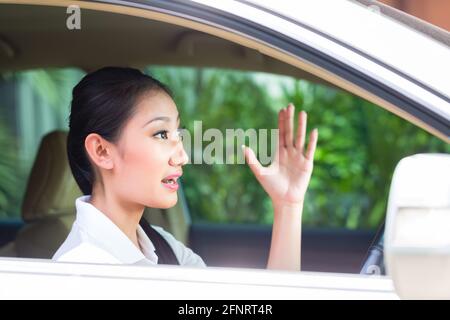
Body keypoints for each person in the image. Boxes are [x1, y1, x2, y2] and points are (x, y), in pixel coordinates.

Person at [52, 67, 318, 271]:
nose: (182, 156)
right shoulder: (81, 269)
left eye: (177, 132)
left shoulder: (162, 247)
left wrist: (287, 207)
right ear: (102, 151)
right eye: (160, 134)